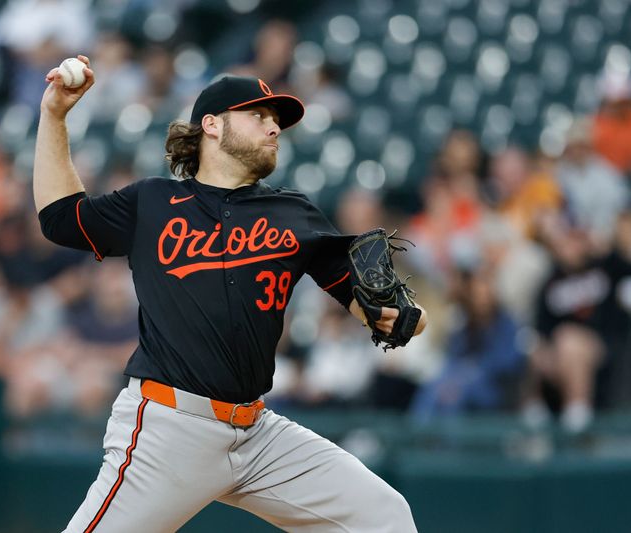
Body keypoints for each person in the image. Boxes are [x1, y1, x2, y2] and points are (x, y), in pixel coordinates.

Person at [33, 57, 428, 532]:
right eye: (259, 115)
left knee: (383, 516)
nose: (273, 128)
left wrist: (402, 317)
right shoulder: (153, 201)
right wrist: (54, 117)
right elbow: (61, 217)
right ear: (213, 125)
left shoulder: (294, 215)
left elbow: (374, 306)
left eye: (277, 121)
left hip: (257, 433)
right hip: (168, 429)